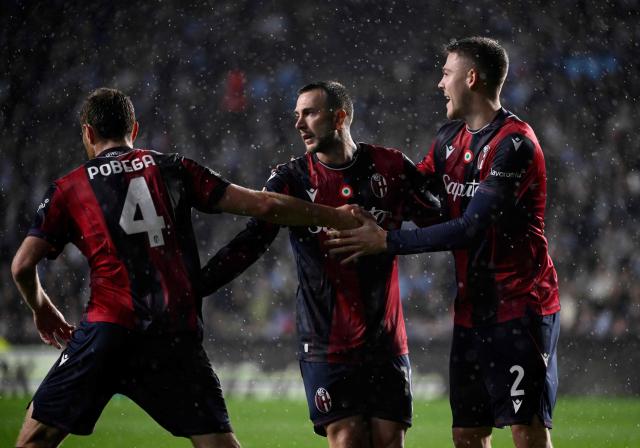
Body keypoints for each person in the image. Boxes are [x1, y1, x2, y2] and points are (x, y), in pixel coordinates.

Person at [10, 87, 360, 448]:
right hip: (172, 335)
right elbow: (266, 207)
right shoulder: (173, 168)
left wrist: (42, 310)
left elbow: (22, 265)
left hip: (107, 332)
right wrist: (335, 216)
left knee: (36, 438)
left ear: (88, 133)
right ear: (135, 128)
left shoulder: (69, 188)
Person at [327, 37, 561, 448]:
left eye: (446, 73)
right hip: (472, 312)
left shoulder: (515, 145)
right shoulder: (448, 138)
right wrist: (350, 175)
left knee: (526, 431)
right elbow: (410, 186)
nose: (439, 83)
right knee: (467, 434)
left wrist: (387, 241)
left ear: (471, 78)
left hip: (520, 307)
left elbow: (471, 227)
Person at [200, 81, 440, 448]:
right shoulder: (291, 179)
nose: (299, 123)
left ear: (339, 117)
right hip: (326, 341)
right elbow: (250, 244)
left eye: (309, 113)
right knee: (347, 438)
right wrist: (195, 288)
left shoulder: (390, 166)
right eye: (296, 115)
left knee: (389, 440)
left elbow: (438, 226)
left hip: (386, 339)